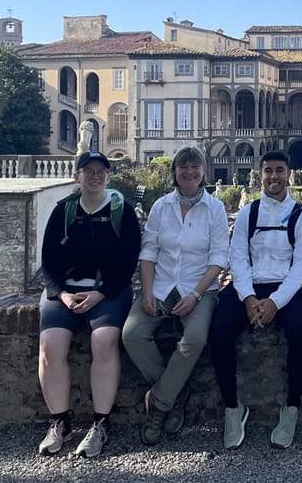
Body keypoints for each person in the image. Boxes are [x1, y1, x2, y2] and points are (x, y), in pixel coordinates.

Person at [209, 150, 302, 450]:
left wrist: (275, 303)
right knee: (218, 329)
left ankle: (291, 406)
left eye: (279, 170)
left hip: (286, 289)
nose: (273, 177)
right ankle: (233, 407)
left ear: (289, 175)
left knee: (299, 331)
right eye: (268, 171)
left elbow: (301, 267)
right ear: (260, 175)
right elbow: (238, 257)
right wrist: (248, 299)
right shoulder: (248, 213)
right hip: (249, 286)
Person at [122, 147, 229, 445]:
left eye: (195, 167)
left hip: (199, 287)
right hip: (161, 284)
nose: (189, 172)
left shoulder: (215, 209)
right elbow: (149, 251)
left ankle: (159, 403)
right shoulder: (160, 207)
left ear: (204, 171)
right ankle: (175, 392)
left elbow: (219, 257)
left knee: (195, 337)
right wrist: (146, 291)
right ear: (175, 172)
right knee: (131, 334)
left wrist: (196, 295)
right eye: (184, 167)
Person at [36, 151, 140, 458]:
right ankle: (59, 422)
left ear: (109, 177)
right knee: (51, 346)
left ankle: (100, 423)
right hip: (65, 293)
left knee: (104, 341)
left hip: (108, 292)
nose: (94, 176)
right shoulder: (63, 211)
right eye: (88, 170)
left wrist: (101, 293)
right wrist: (62, 294)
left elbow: (128, 261)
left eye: (100, 171)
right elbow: (49, 261)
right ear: (77, 175)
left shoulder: (123, 211)